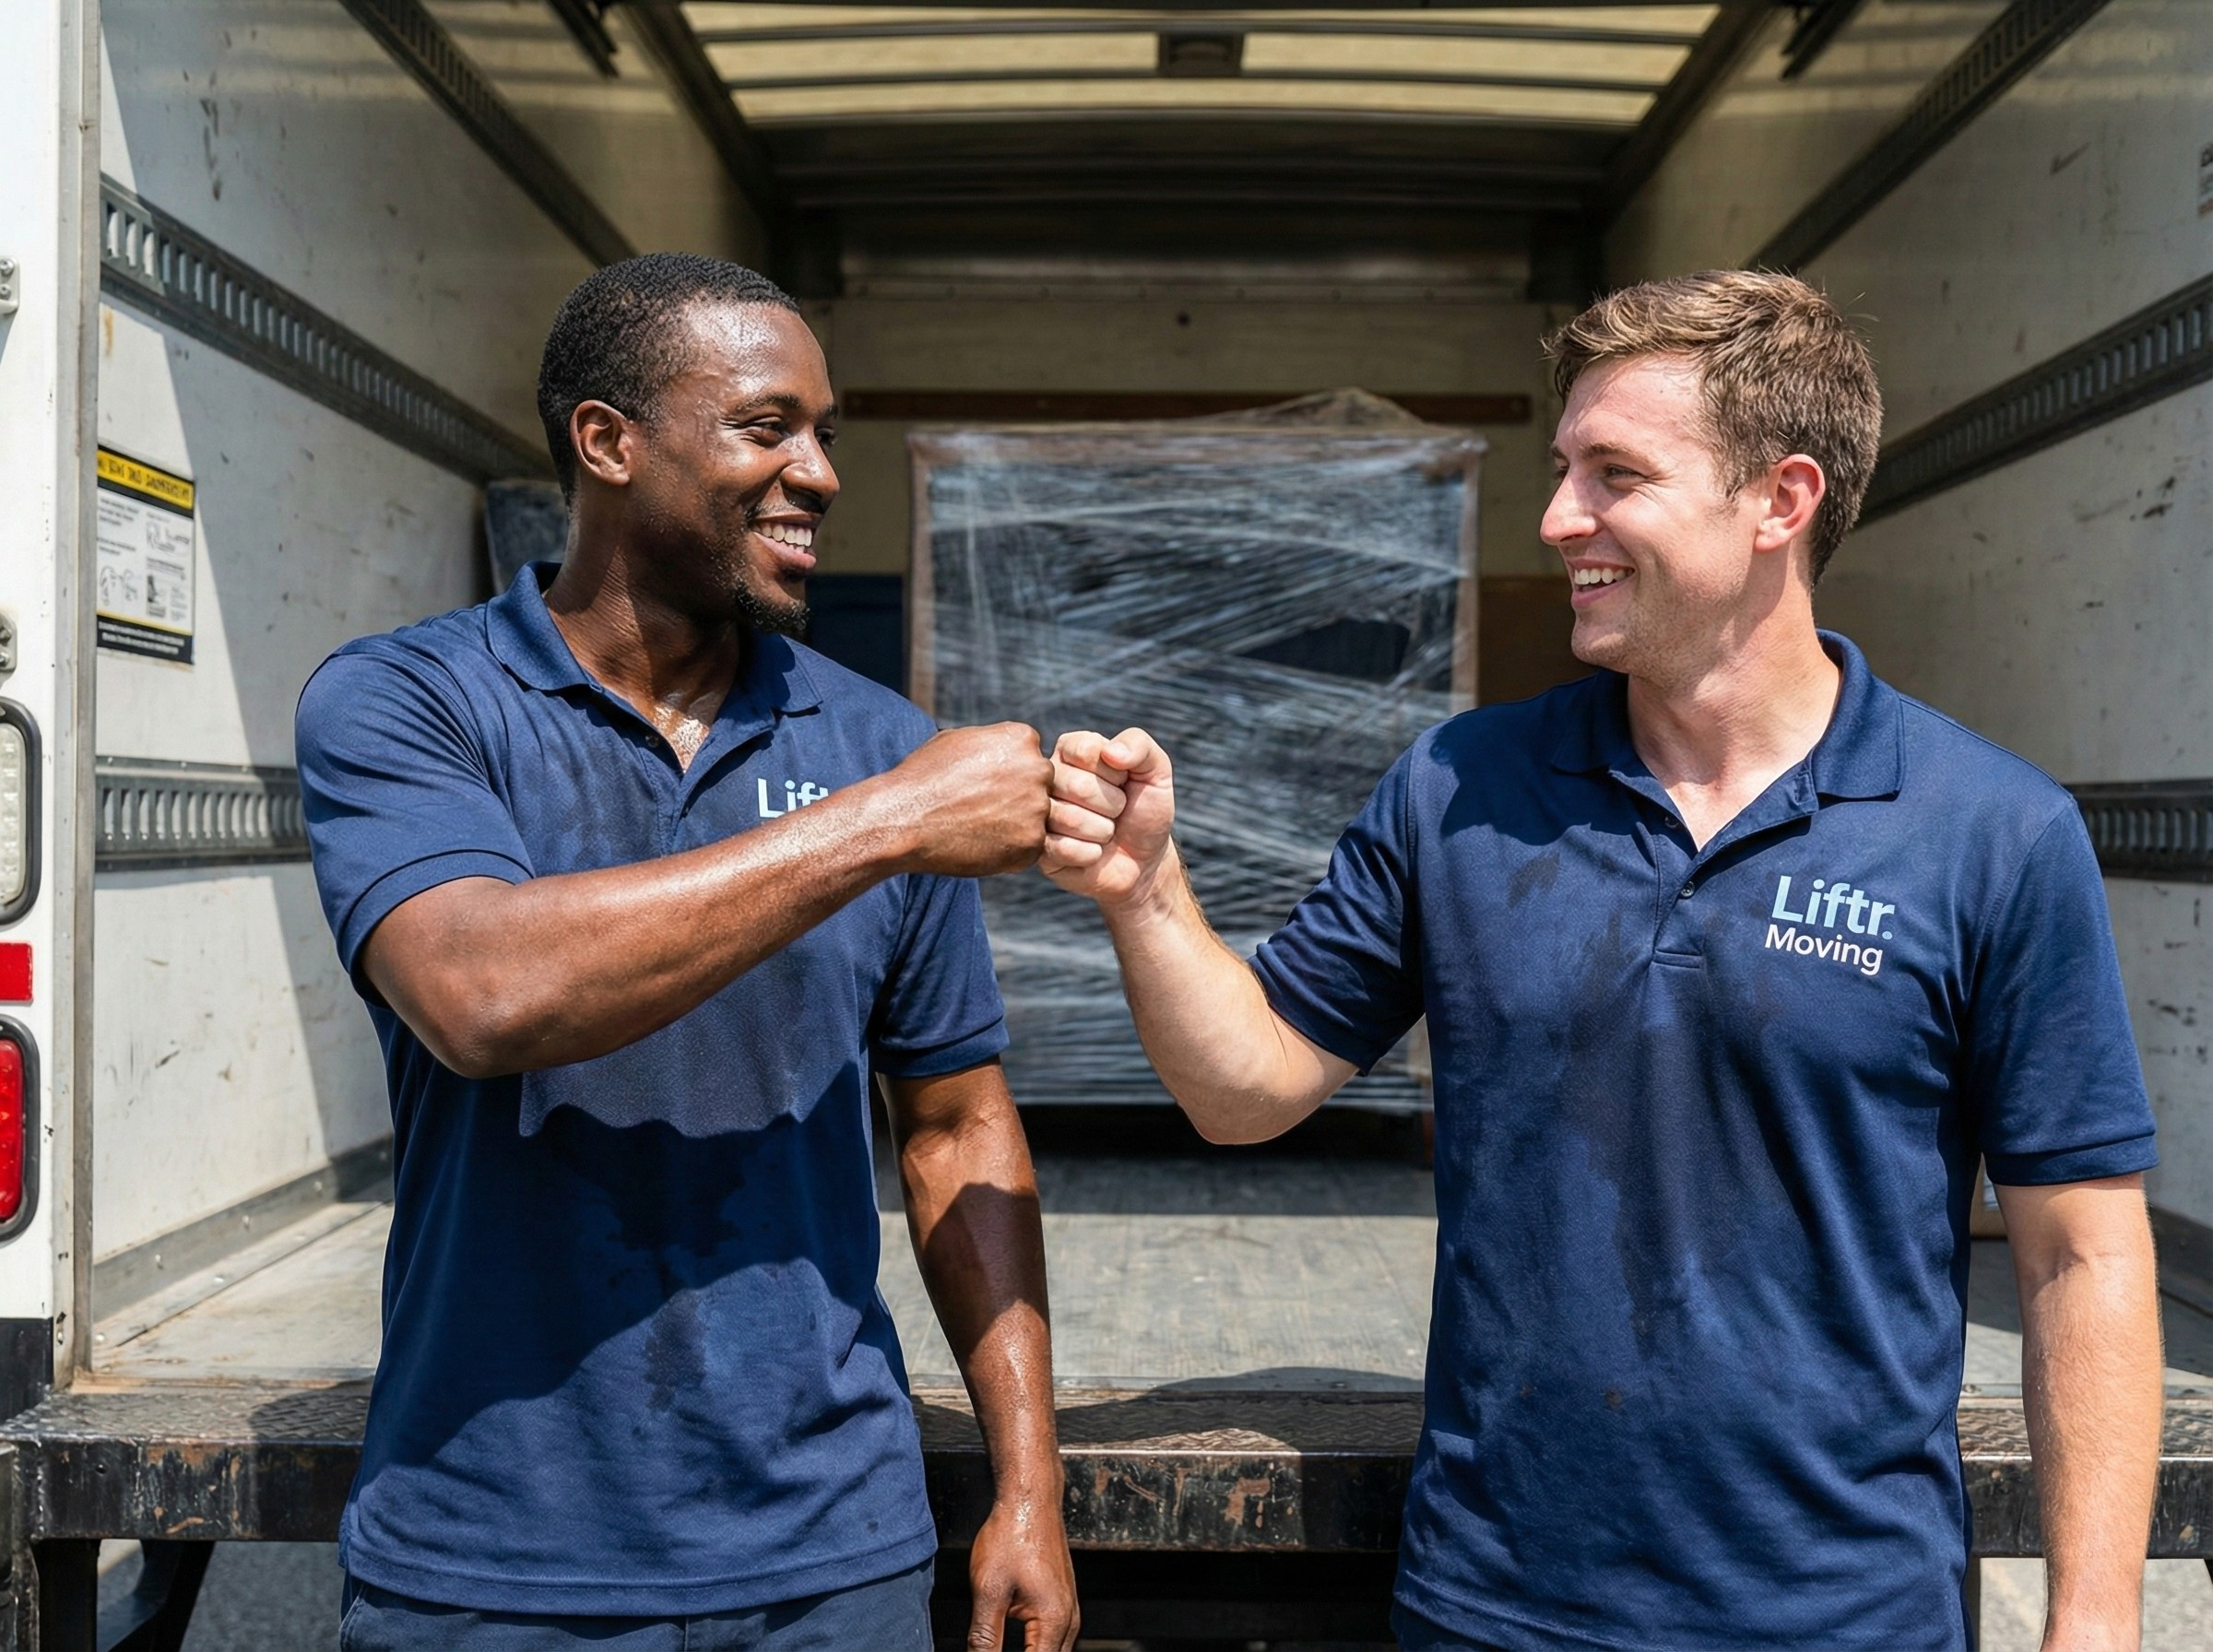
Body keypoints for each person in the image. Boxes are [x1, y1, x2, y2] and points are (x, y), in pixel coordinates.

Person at [1042, 270, 2162, 1651]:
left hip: (1844, 1614)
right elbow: (1247, 1091)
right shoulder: (1462, 787)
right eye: (1563, 468)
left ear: (1780, 502)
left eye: (1614, 474)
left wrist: (2097, 1619)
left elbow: (2078, 1253)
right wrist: (1147, 891)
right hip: (1497, 1604)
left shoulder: (1988, 831)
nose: (1558, 518)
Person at [296, 254, 1077, 1651]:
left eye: (826, 433)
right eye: (768, 427)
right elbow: (481, 993)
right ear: (608, 442)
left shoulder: (877, 743)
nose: (822, 473)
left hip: (828, 1561)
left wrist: (1030, 1485)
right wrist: (883, 826)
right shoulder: (408, 702)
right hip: (488, 1554)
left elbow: (958, 1128)